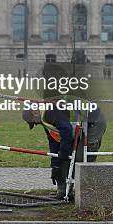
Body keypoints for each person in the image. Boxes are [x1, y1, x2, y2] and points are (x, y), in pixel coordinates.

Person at [22, 64, 106, 200]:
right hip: (78, 125)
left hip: (94, 122)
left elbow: (66, 133)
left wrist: (62, 156)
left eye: (34, 122)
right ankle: (64, 192)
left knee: (82, 158)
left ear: (34, 112)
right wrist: (54, 164)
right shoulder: (44, 117)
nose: (36, 125)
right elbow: (54, 141)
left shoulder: (50, 111)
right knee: (65, 159)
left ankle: (85, 195)